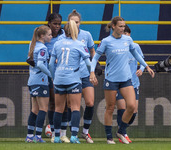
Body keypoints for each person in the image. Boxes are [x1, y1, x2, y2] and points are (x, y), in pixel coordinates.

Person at [89, 16, 155, 144]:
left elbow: (135, 54)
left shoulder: (128, 39)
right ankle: (109, 137)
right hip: (111, 79)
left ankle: (121, 131)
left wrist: (146, 66)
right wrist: (92, 72)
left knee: (131, 106)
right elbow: (95, 57)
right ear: (113, 26)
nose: (122, 28)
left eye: (124, 26)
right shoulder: (106, 41)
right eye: (120, 26)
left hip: (126, 79)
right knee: (110, 108)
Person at [49, 20, 91, 144]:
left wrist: (53, 76)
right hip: (73, 79)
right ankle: (73, 136)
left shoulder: (57, 44)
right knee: (75, 108)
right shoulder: (79, 44)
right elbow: (88, 63)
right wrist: (91, 74)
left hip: (59, 78)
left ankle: (56, 136)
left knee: (58, 108)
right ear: (75, 31)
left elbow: (51, 64)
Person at [66, 9, 101, 143]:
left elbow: (93, 51)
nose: (76, 24)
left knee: (90, 103)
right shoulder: (65, 36)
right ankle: (71, 132)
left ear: (80, 23)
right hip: (71, 75)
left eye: (77, 22)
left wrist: (95, 66)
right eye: (73, 22)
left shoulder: (86, 35)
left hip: (86, 74)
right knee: (70, 105)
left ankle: (85, 132)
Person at [116, 25, 145, 143]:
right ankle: (123, 134)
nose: (126, 37)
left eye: (128, 35)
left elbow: (142, 61)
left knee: (133, 112)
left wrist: (141, 69)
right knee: (122, 108)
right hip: (120, 82)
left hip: (134, 83)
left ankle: (121, 130)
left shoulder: (135, 46)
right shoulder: (118, 48)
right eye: (124, 35)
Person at [45, 13, 70, 143]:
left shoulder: (63, 37)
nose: (57, 26)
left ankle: (63, 134)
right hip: (48, 75)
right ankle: (54, 132)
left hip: (62, 74)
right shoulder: (44, 36)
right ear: (49, 23)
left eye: (59, 24)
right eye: (54, 23)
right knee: (53, 104)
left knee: (64, 104)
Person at [25, 25, 52, 143]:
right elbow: (41, 65)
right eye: (49, 34)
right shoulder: (43, 48)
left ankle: (29, 136)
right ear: (42, 36)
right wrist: (52, 75)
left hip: (32, 80)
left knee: (34, 109)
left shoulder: (32, 44)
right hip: (40, 81)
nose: (51, 37)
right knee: (43, 108)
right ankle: (38, 136)